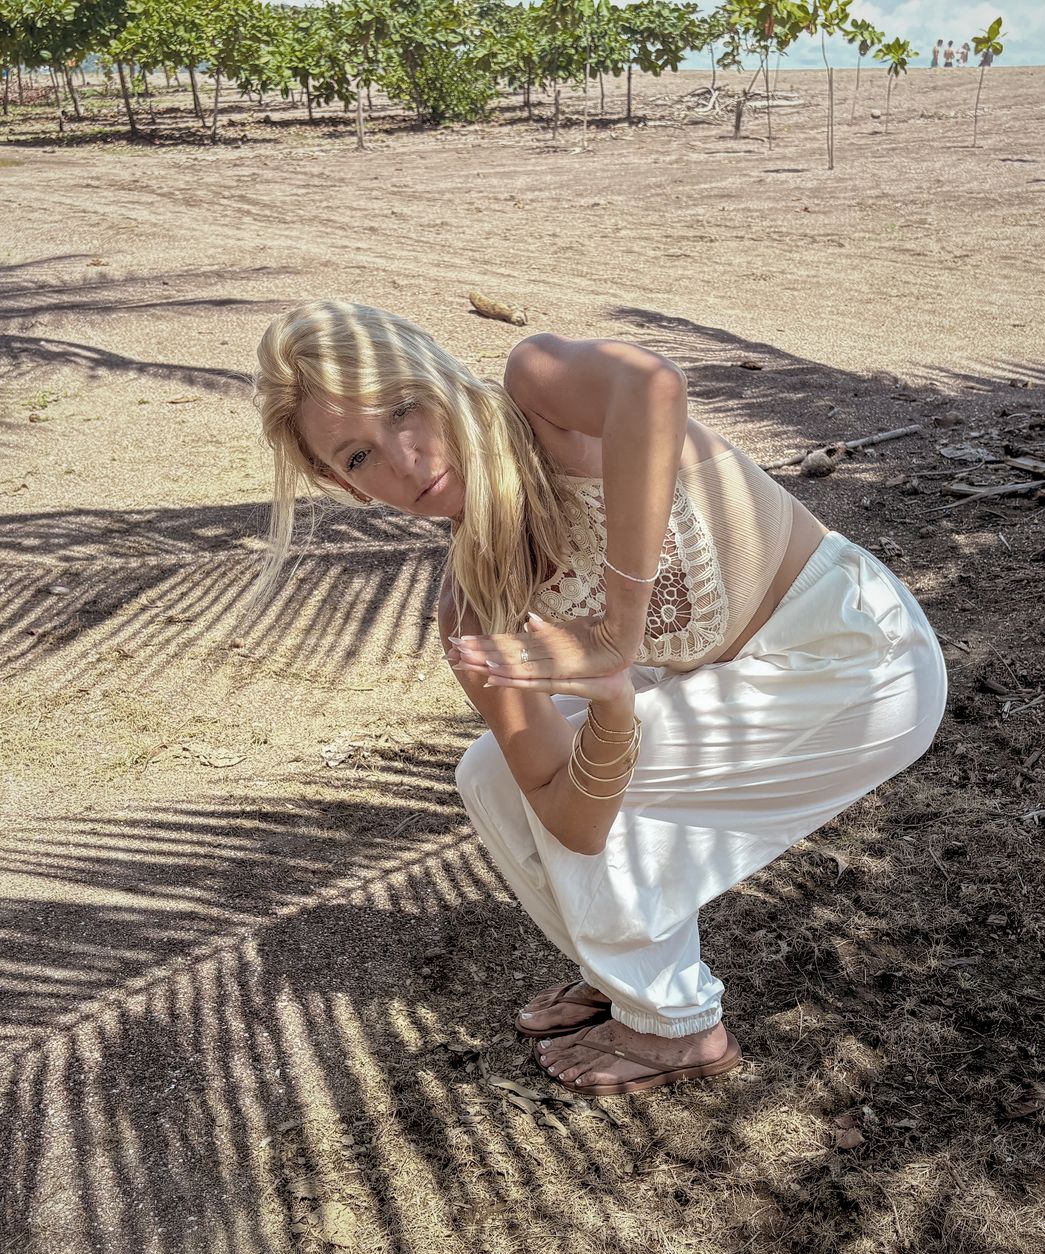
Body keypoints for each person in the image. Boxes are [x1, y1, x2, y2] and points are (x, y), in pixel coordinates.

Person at [250, 301, 947, 1097]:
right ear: (342, 485)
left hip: (857, 658)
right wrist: (613, 705)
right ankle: (624, 974)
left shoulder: (540, 393)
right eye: (360, 455)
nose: (406, 459)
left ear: (437, 375)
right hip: (726, 677)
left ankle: (672, 1027)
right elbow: (568, 817)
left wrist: (619, 624)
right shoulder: (471, 608)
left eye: (404, 408)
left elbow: (651, 386)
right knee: (490, 774)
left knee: (591, 784)